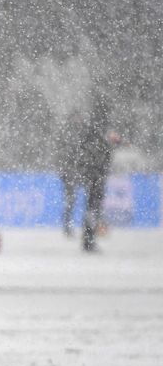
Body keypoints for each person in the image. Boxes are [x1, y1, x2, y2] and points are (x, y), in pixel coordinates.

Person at [77, 93, 112, 252]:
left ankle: (89, 238)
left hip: (93, 175)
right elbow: (99, 154)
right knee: (93, 208)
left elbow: (86, 153)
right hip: (95, 175)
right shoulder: (98, 131)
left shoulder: (91, 130)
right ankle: (89, 239)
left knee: (92, 208)